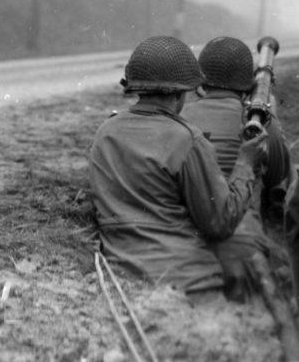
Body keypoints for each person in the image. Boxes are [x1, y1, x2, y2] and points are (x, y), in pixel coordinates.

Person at [88, 36, 268, 299]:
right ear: (180, 92)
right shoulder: (188, 140)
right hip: (191, 282)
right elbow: (219, 223)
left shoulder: (106, 131)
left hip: (123, 277)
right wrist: (245, 164)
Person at [181, 36, 291, 302]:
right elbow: (280, 175)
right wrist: (272, 119)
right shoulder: (259, 121)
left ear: (200, 80)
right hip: (242, 247)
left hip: (182, 243)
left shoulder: (180, 115)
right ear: (249, 83)